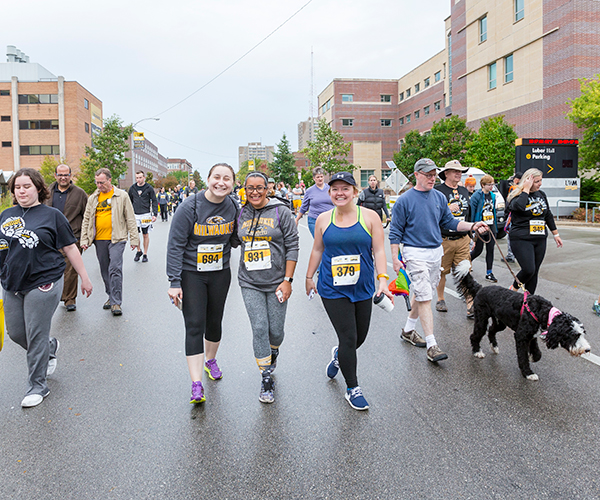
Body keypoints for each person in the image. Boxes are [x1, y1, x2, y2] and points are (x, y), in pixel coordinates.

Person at [1, 168, 93, 408]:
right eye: (17, 187)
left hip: (44, 281)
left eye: (27, 186)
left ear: (38, 189)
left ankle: (38, 385)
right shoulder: (5, 215)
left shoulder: (51, 215)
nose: (22, 191)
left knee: (35, 333)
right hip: (12, 283)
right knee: (17, 334)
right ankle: (50, 347)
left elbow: (70, 248)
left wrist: (84, 277)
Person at [306, 172, 393, 411]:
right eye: (335, 189)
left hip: (362, 286)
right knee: (348, 337)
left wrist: (383, 280)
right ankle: (352, 388)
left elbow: (380, 251)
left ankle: (338, 356)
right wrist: (308, 277)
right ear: (330, 192)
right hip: (332, 288)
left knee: (359, 337)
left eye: (345, 188)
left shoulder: (370, 217)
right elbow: (316, 250)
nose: (340, 193)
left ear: (355, 192)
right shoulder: (324, 219)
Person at [389, 158, 489, 363]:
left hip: (435, 252)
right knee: (425, 296)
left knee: (422, 291)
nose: (432, 178)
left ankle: (408, 330)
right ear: (416, 175)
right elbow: (395, 232)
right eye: (428, 175)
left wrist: (472, 225)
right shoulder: (404, 200)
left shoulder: (438, 197)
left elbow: (449, 222)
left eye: (434, 174)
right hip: (414, 253)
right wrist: (394, 258)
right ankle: (432, 345)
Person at [167, 163, 239, 404]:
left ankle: (210, 360)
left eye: (226, 178)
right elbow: (175, 245)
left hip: (220, 273)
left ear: (233, 183)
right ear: (208, 179)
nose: (221, 182)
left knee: (214, 322)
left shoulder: (233, 206)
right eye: (216, 177)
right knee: (195, 324)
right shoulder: (190, 206)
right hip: (192, 274)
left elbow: (238, 238)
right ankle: (196, 383)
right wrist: (174, 282)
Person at [237, 171, 299, 404]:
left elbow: (293, 246)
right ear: (244, 189)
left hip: (277, 282)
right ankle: (265, 377)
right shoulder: (240, 212)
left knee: (276, 331)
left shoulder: (281, 211)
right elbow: (231, 240)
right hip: (249, 281)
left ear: (267, 189)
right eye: (250, 188)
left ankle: (273, 352)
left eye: (259, 187)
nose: (254, 192)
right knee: (260, 327)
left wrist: (288, 280)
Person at [81, 168, 140, 316]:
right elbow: (86, 219)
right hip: (99, 239)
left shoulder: (122, 196)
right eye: (97, 182)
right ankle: (110, 295)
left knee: (115, 268)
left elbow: (130, 218)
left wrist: (134, 239)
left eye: (101, 182)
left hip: (117, 238)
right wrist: (84, 239)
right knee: (104, 269)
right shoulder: (93, 198)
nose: (99, 185)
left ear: (109, 180)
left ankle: (116, 302)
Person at [506, 168, 562, 294]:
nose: (540, 184)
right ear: (527, 181)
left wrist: (556, 234)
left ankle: (528, 302)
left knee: (535, 271)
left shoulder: (541, 194)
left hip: (539, 238)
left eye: (541, 180)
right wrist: (525, 189)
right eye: (536, 181)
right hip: (521, 238)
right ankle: (513, 289)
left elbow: (547, 214)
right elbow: (519, 207)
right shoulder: (516, 195)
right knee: (528, 269)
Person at [44, 163, 89, 312]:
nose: (63, 177)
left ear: (70, 175)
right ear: (55, 175)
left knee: (70, 270)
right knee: (50, 269)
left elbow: (87, 217)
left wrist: (85, 238)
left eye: (66, 175)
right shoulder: (46, 192)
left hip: (72, 237)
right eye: (60, 175)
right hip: (50, 238)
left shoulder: (80, 194)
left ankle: (70, 299)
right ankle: (53, 296)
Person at [434, 160, 474, 315]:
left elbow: (468, 214)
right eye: (455, 171)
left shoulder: (464, 191)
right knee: (442, 271)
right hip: (444, 239)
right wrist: (446, 209)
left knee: (465, 270)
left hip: (463, 239)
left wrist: (472, 236)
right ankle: (440, 299)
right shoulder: (437, 191)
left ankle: (470, 303)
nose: (459, 174)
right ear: (446, 173)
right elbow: (431, 215)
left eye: (460, 172)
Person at [469, 174, 498, 282]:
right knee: (478, 250)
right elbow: (472, 212)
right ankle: (465, 263)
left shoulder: (493, 196)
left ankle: (489, 272)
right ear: (482, 185)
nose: (491, 187)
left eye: (492, 184)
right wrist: (472, 229)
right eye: (489, 185)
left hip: (490, 226)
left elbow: (493, 210)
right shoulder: (476, 196)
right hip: (479, 226)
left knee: (490, 249)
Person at [128, 171, 158, 262]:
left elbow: (154, 201)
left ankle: (145, 253)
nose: (138, 179)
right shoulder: (132, 188)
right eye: (137, 178)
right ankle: (138, 250)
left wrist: (155, 214)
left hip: (145, 214)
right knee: (135, 234)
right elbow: (129, 201)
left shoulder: (149, 188)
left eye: (140, 177)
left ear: (144, 177)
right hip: (135, 214)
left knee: (145, 234)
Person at [295, 167, 334, 237]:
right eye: (318, 177)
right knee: (320, 241)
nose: (320, 179)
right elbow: (304, 206)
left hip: (330, 220)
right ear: (314, 178)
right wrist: (297, 219)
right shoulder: (310, 191)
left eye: (321, 176)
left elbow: (337, 203)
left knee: (329, 241)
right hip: (314, 220)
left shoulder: (330, 189)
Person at [501, 172, 522, 263]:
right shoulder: (525, 189)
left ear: (516, 180)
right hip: (521, 218)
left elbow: (508, 203)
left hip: (512, 216)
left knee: (511, 236)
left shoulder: (513, 189)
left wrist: (505, 215)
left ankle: (510, 255)